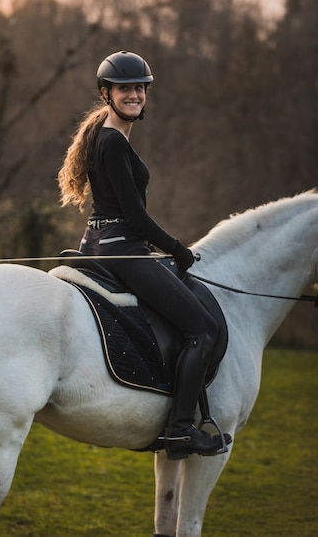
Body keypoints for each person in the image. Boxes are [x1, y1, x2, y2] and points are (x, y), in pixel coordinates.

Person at [58, 50, 231, 459]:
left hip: (98, 244)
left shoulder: (105, 135)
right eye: (126, 89)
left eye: (140, 88)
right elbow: (135, 217)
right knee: (202, 330)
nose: (135, 94)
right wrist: (177, 249)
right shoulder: (113, 142)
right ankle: (180, 430)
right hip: (124, 250)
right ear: (107, 93)